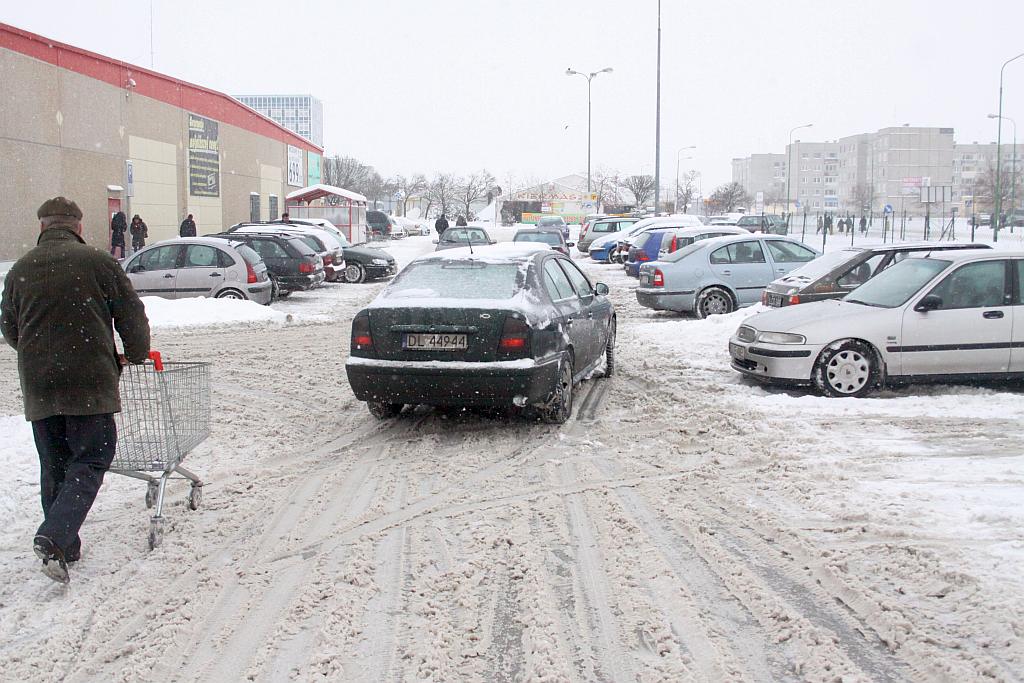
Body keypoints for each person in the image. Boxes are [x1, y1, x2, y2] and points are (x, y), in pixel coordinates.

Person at [1, 197, 151, 584]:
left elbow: (10, 328)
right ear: (78, 228)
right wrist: (134, 353)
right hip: (89, 381)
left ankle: (64, 547)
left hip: (38, 384)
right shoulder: (98, 263)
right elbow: (131, 313)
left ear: (42, 226)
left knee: (54, 464)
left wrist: (39, 356)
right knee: (92, 458)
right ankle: (54, 535)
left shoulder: (19, 270)